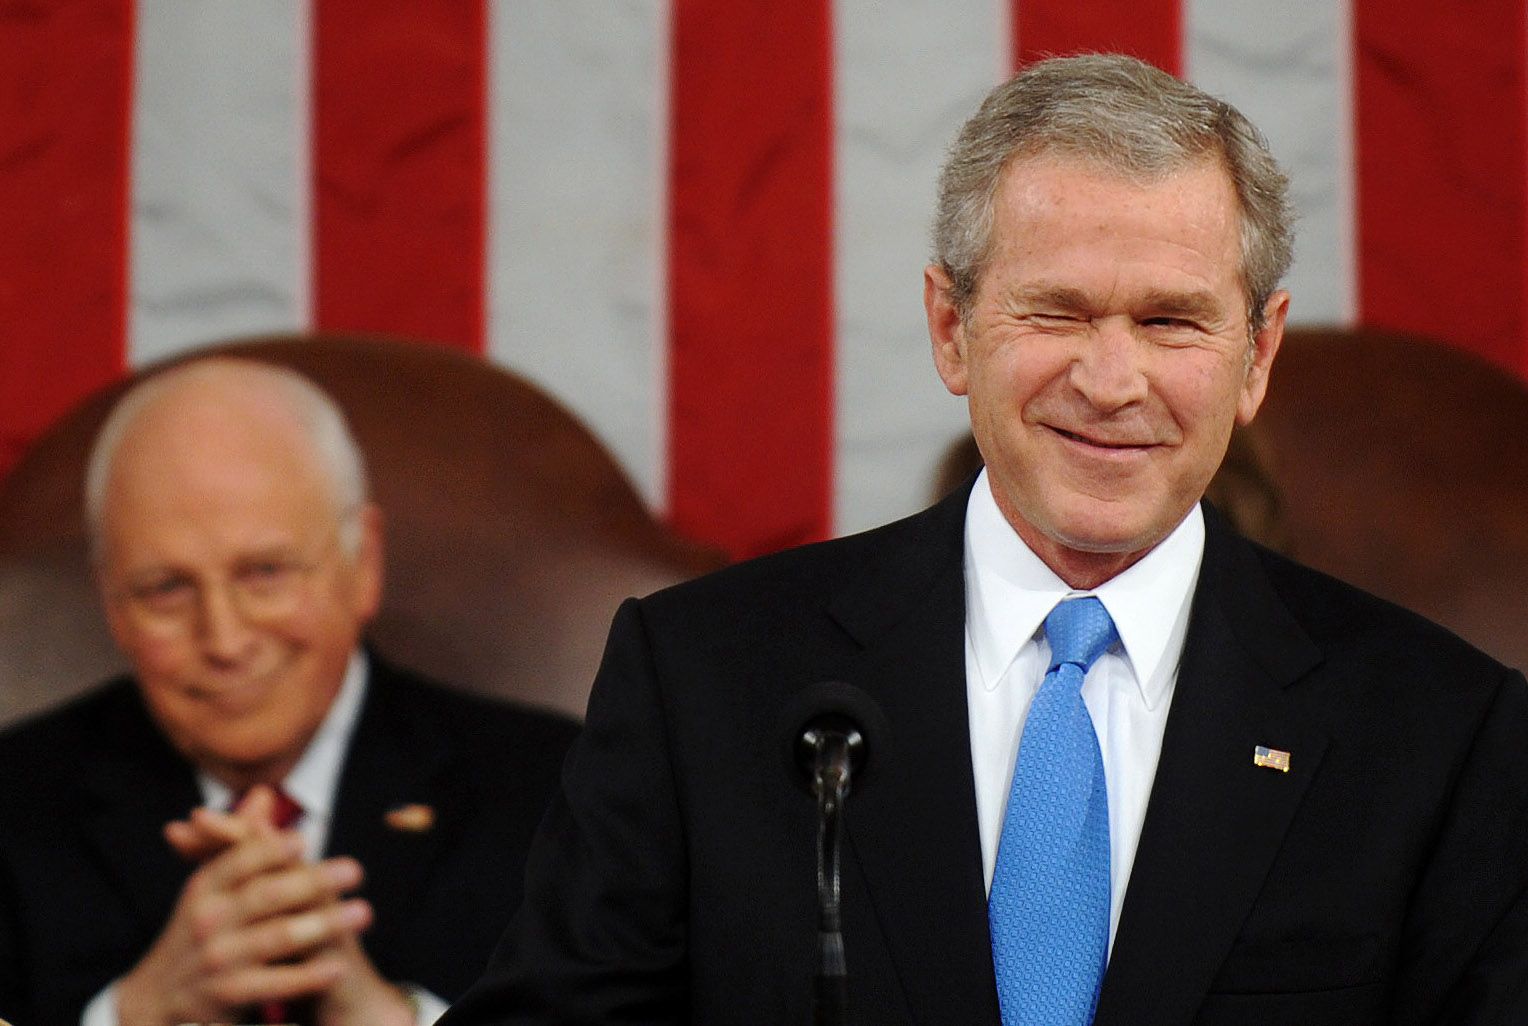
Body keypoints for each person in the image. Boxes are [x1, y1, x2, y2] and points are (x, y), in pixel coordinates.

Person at [440, 54, 1528, 1026]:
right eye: (1054, 312)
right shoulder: (703, 681)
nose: (1110, 383)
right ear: (951, 328)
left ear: (1256, 356)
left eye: (1169, 321)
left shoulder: (1436, 732)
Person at [0, 358, 580, 1026]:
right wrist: (133, 1015)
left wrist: (388, 1019)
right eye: (167, 588)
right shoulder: (12, 808)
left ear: (361, 562)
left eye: (265, 573)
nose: (224, 639)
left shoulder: (553, 795)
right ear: (112, 603)